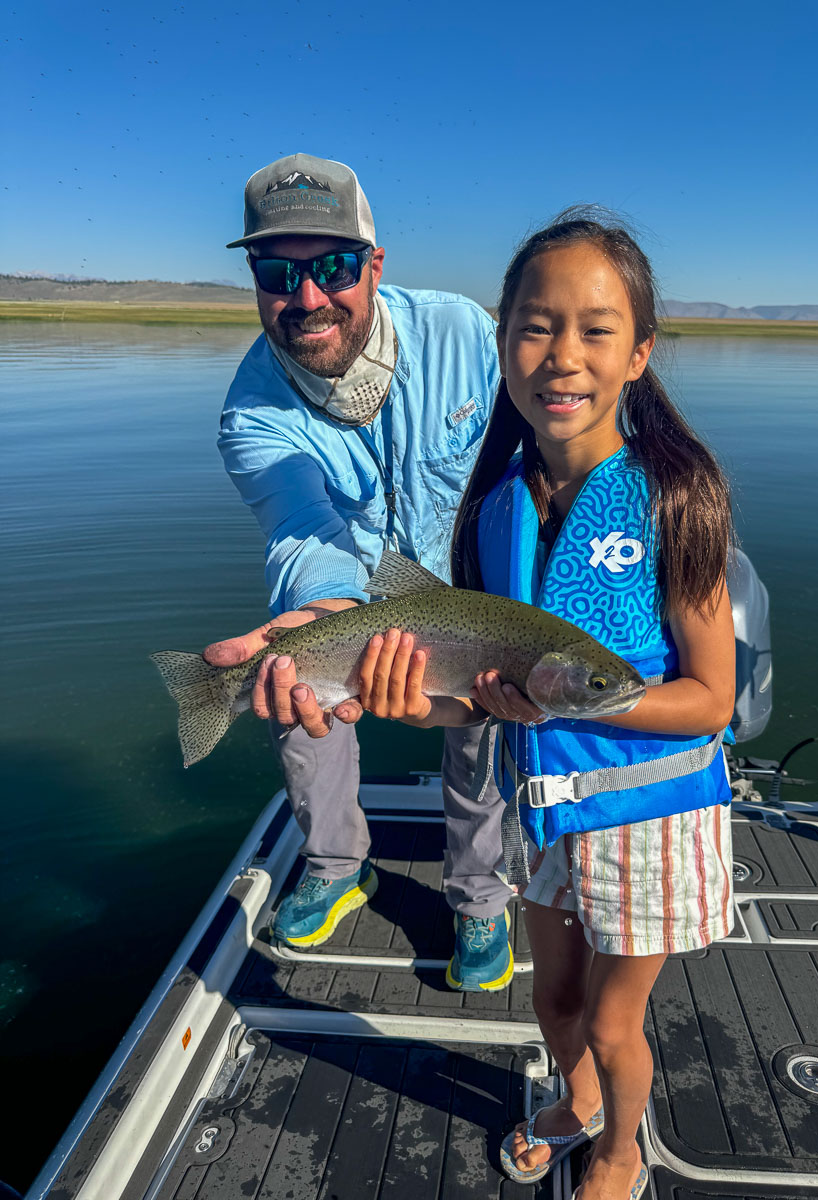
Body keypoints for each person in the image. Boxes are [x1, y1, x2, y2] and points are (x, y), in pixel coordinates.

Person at [351, 208, 735, 1200]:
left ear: (640, 352)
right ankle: (577, 1101)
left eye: (595, 329)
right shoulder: (493, 506)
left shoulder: (675, 497)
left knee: (615, 1022)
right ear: (503, 342)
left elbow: (710, 700)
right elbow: (479, 702)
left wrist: (580, 700)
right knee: (556, 1000)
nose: (561, 356)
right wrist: (415, 703)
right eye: (534, 325)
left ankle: (619, 1151)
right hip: (544, 814)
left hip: (652, 818)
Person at [204, 152, 515, 992]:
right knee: (294, 672)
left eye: (333, 268)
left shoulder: (464, 337)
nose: (308, 299)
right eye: (279, 271)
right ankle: (338, 863)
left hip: (471, 582)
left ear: (374, 266)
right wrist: (321, 616)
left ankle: (481, 896)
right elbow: (304, 531)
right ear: (255, 278)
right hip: (354, 591)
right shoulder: (249, 415)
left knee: (483, 717)